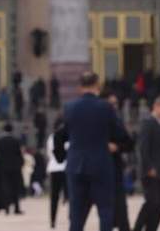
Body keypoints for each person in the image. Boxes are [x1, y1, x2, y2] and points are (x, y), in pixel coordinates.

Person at [55, 72, 125, 231]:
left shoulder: (70, 107)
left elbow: (59, 136)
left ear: (80, 87)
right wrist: (115, 144)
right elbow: (121, 134)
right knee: (105, 212)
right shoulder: (106, 107)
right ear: (97, 86)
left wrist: (62, 157)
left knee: (77, 215)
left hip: (76, 164)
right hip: (101, 164)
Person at [132, 94, 160, 231]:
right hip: (150, 172)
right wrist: (149, 167)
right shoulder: (148, 123)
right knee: (152, 201)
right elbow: (143, 148)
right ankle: (137, 228)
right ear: (156, 106)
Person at [104, 93, 133, 231]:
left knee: (120, 207)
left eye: (115, 104)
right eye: (111, 103)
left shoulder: (117, 122)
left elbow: (129, 143)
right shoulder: (96, 121)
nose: (113, 106)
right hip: (97, 169)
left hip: (115, 167)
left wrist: (117, 147)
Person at [0, 122, 24, 215]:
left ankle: (6, 208)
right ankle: (16, 208)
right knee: (15, 187)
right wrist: (21, 164)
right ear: (12, 130)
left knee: (5, 187)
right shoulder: (16, 140)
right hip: (15, 167)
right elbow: (19, 154)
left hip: (3, 167)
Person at [48, 117, 69, 228]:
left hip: (54, 168)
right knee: (71, 195)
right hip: (65, 167)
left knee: (54, 197)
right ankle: (71, 218)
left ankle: (53, 220)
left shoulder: (51, 138)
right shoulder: (67, 136)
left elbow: (50, 152)